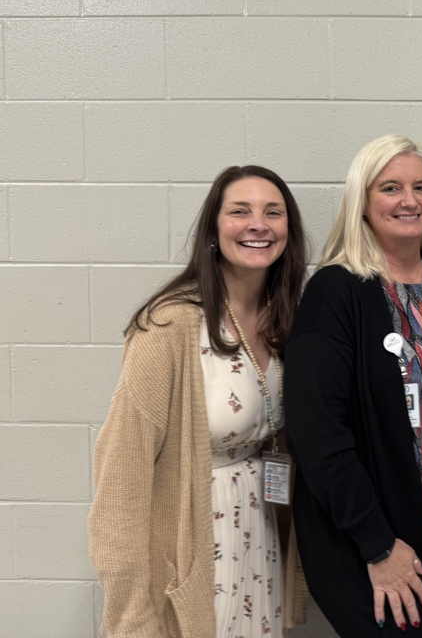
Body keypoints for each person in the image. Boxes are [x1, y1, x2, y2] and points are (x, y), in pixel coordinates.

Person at [89, 165, 309, 637]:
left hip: (258, 529)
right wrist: (132, 615)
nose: (258, 224)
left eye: (273, 213)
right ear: (213, 229)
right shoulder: (168, 327)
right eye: (240, 211)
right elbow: (120, 479)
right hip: (196, 540)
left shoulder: (284, 316)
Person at [284, 135, 422, 637]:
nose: (409, 200)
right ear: (362, 201)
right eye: (391, 188)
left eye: (421, 187)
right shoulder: (334, 292)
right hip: (373, 537)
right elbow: (315, 433)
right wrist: (377, 544)